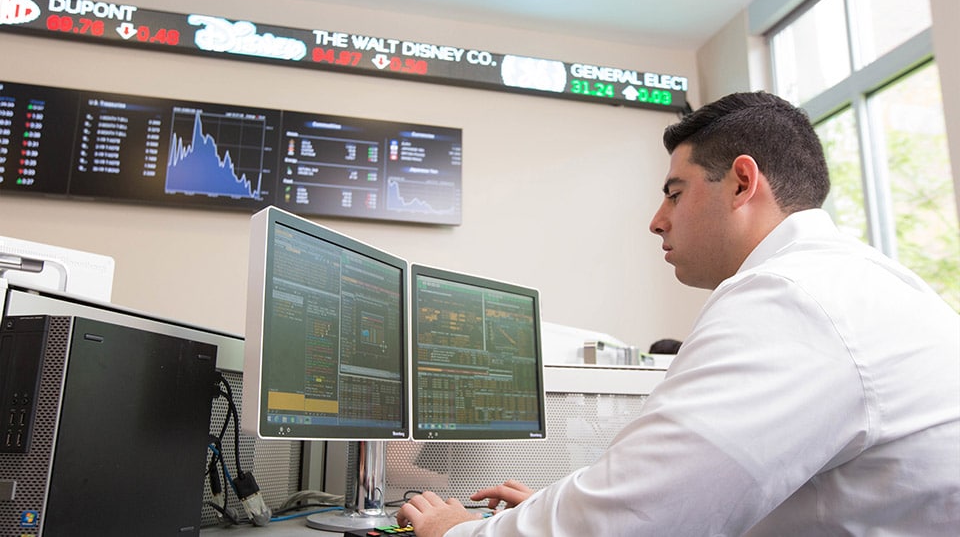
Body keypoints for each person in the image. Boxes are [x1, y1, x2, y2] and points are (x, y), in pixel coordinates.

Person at [396, 91, 960, 536]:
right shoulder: (858, 281)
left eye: (675, 192)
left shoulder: (792, 298)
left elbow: (641, 520)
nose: (657, 220)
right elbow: (680, 493)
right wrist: (554, 510)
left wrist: (459, 531)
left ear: (742, 182)